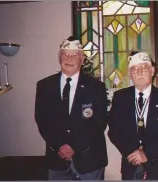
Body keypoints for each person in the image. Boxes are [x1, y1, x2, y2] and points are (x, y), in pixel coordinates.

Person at [34, 36, 108, 180]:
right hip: (56, 159)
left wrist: (74, 146)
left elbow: (99, 122)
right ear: (59, 57)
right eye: (65, 54)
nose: (69, 58)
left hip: (90, 160)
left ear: (81, 59)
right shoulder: (44, 86)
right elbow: (42, 120)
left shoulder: (96, 87)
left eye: (74, 55)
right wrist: (59, 145)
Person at [107, 51, 158, 180]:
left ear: (152, 71)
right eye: (135, 69)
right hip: (131, 166)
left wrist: (147, 154)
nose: (139, 72)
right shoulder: (120, 98)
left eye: (144, 68)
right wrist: (131, 153)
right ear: (130, 74)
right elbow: (114, 131)